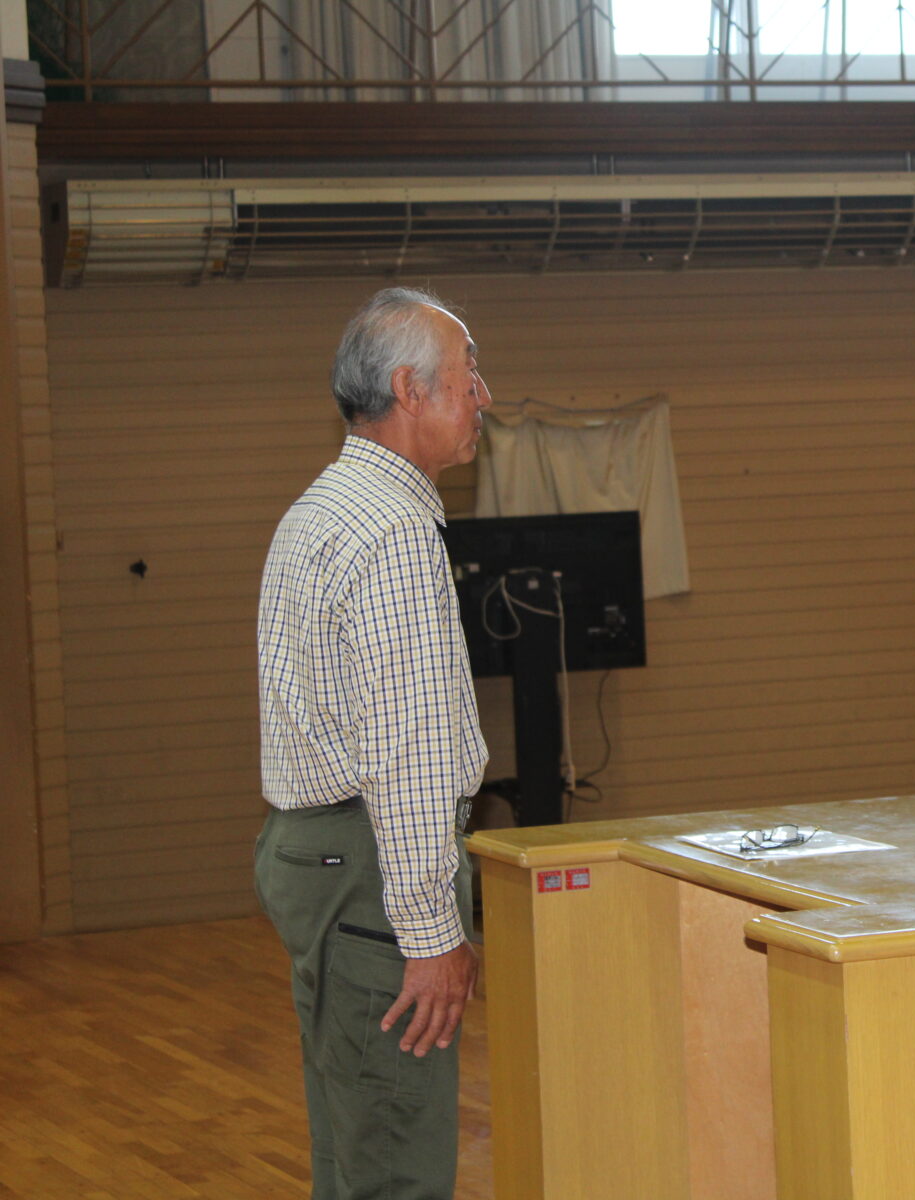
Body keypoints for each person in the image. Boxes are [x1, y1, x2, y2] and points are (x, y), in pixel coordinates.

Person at [255, 287, 492, 1199]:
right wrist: (431, 933)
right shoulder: (395, 531)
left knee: (352, 1149)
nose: (482, 398)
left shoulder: (327, 504)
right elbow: (412, 753)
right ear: (410, 389)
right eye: (470, 376)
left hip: (315, 854)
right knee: (395, 1158)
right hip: (370, 868)